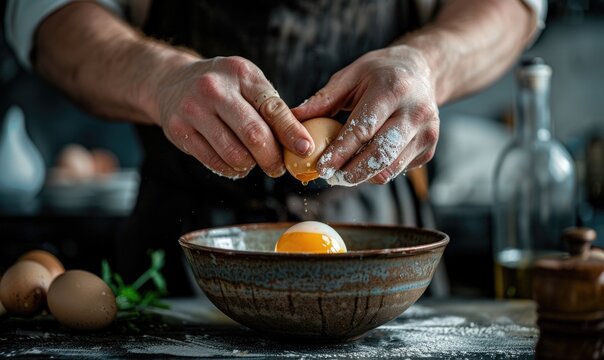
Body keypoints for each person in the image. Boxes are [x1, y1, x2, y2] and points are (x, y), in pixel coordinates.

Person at [5, 0, 545, 295]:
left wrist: (429, 62)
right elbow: (43, 18)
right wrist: (159, 78)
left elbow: (513, 7)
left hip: (376, 257)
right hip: (178, 255)